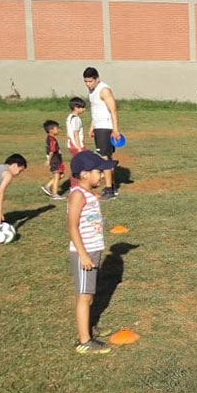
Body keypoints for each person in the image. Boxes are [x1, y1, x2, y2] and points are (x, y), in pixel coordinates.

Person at [68, 150, 117, 354]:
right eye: (99, 172)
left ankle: (89, 326)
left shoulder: (87, 193)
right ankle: (84, 341)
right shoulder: (77, 195)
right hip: (84, 253)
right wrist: (83, 255)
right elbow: (72, 227)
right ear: (85, 174)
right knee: (84, 296)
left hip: (92, 250)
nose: (102, 175)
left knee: (90, 292)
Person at [83, 67, 121, 200]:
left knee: (104, 158)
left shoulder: (104, 90)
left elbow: (113, 110)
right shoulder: (92, 91)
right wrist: (92, 126)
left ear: (97, 79)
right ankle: (113, 186)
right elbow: (96, 110)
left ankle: (109, 189)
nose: (88, 84)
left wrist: (115, 129)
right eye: (86, 81)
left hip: (105, 127)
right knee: (107, 158)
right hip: (98, 127)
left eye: (90, 81)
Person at [66, 97, 87, 188]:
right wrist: (79, 148)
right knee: (81, 166)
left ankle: (75, 185)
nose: (84, 109)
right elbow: (76, 133)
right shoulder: (76, 119)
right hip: (77, 146)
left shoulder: (69, 117)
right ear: (76, 108)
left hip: (71, 145)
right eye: (82, 107)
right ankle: (76, 185)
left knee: (77, 165)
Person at [41, 120, 65, 199]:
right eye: (56, 128)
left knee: (61, 175)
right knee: (57, 175)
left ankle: (47, 186)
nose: (58, 130)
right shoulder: (51, 139)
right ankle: (55, 194)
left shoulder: (51, 138)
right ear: (51, 130)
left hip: (58, 159)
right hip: (55, 160)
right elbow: (51, 151)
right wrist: (49, 160)